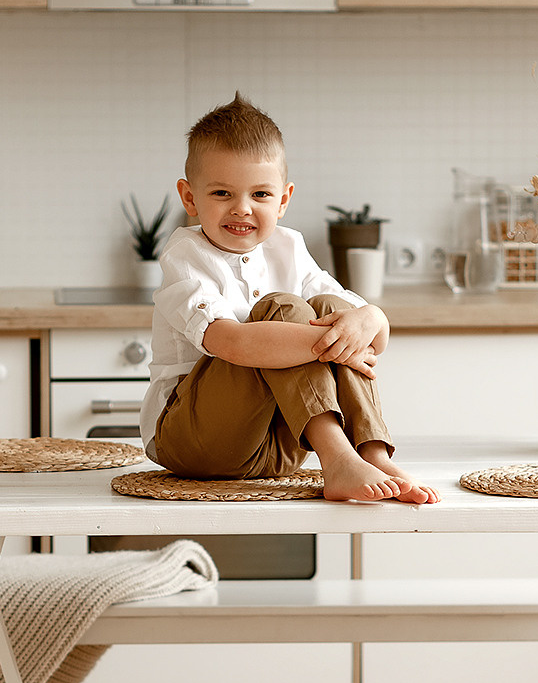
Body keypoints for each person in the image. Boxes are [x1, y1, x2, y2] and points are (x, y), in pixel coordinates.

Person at [139, 94, 438, 505]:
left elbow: (373, 341)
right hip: (194, 441)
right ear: (190, 198)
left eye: (260, 194)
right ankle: (337, 458)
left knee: (338, 311)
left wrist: (371, 318)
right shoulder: (185, 257)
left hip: (279, 446)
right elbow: (232, 342)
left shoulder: (289, 246)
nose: (242, 209)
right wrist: (332, 346)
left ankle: (370, 453)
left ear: (283, 200)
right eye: (222, 193)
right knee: (284, 309)